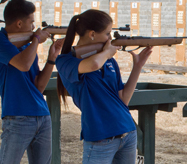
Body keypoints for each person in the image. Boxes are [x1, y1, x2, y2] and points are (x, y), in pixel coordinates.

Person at [55, 9, 152, 164]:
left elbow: (123, 99)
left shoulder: (109, 61)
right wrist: (107, 53)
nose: (110, 38)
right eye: (107, 34)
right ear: (92, 34)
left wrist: (138, 66)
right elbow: (93, 64)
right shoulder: (65, 61)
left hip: (127, 131)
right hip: (100, 137)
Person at [0, 0, 63, 164]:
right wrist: (35, 40)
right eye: (31, 22)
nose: (34, 27)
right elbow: (23, 64)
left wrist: (51, 59)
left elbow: (39, 86)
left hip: (42, 115)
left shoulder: (28, 46)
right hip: (17, 116)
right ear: (19, 24)